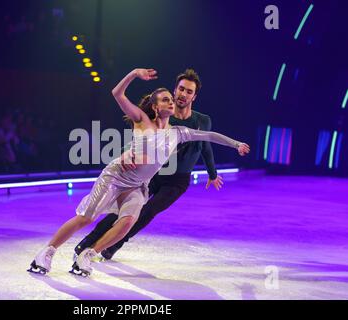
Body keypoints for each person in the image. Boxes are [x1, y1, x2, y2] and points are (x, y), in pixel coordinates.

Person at [27, 68, 250, 277]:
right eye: (166, 99)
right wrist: (134, 73)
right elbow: (117, 93)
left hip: (138, 185)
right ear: (155, 107)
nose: (172, 102)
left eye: (172, 100)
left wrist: (236, 143)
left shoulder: (179, 133)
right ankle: (46, 253)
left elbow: (210, 137)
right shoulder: (141, 120)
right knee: (87, 217)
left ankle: (89, 254)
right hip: (117, 177)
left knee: (128, 221)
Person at [74, 68, 225, 261]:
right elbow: (138, 138)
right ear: (175, 89)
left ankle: (111, 246)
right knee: (122, 209)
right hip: (152, 173)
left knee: (147, 212)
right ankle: (89, 241)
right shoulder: (162, 113)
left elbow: (206, 146)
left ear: (194, 96)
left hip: (177, 180)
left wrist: (212, 174)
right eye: (181, 89)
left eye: (189, 91)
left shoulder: (203, 121)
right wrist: (125, 154)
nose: (183, 94)